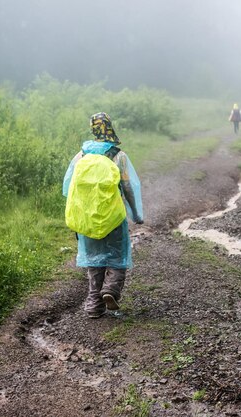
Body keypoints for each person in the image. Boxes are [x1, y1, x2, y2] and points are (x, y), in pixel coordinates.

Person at [63, 112, 144, 318]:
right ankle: (111, 291)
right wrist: (136, 213)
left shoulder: (80, 156)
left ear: (93, 129)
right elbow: (128, 187)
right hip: (114, 217)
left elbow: (68, 188)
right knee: (117, 257)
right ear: (110, 127)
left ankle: (93, 305)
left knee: (93, 260)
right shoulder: (118, 155)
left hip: (87, 218)